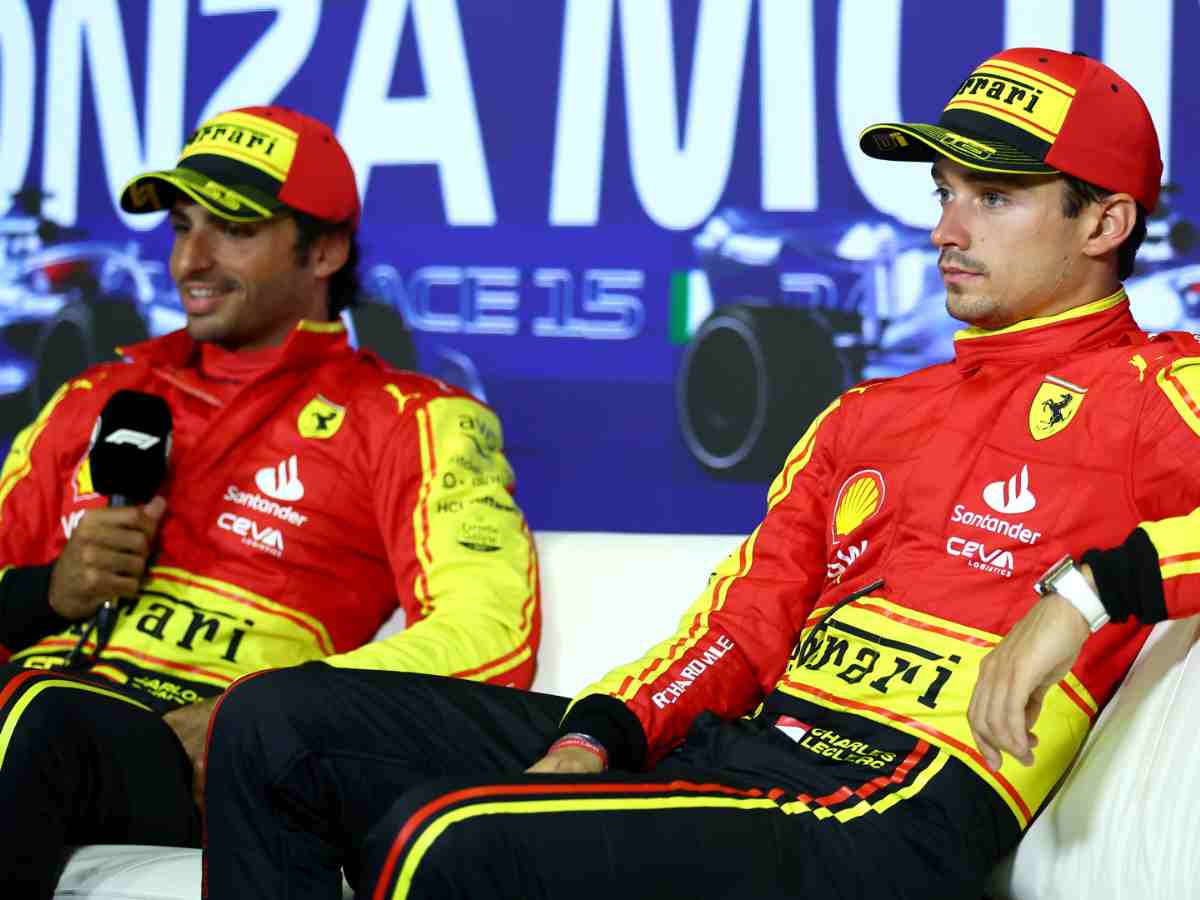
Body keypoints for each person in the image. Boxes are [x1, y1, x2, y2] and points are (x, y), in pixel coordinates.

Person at [204, 49, 1195, 899]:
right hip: (744, 755)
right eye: (944, 194)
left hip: (879, 805)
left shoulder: (1158, 386)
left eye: (994, 197)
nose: (945, 230)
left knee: (447, 841)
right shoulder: (869, 414)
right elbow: (742, 624)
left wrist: (1089, 592)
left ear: (1104, 224)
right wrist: (605, 733)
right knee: (277, 723)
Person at [0, 105, 539, 899]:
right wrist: (42, 592)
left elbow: (487, 635)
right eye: (183, 227)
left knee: (40, 715)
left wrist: (259, 714)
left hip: (187, 750)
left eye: (234, 231)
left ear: (324, 250)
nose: (193, 259)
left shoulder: (411, 419)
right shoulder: (97, 396)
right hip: (35, 717)